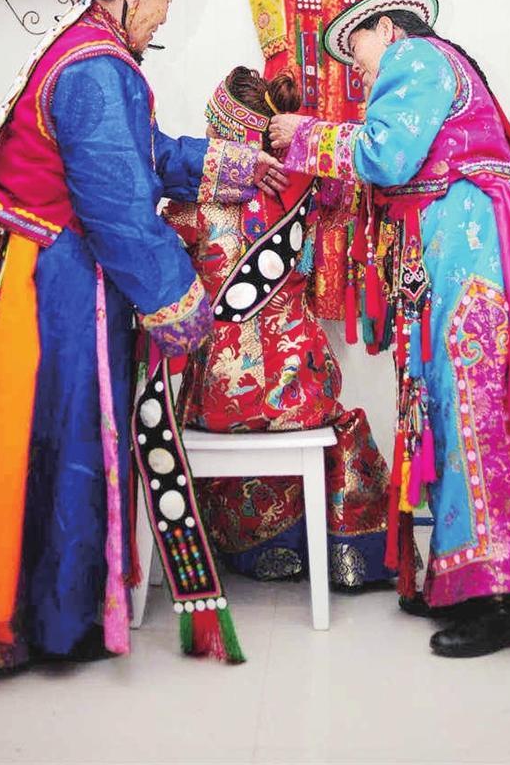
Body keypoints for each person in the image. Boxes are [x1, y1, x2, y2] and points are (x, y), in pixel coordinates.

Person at [0, 0, 286, 672]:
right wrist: (185, 309)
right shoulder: (99, 69)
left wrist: (232, 164)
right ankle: (41, 619)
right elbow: (120, 209)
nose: (165, 15)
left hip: (29, 260)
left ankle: (13, 605)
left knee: (27, 436)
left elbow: (141, 152)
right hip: (52, 282)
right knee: (56, 435)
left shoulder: (86, 48)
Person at [269, 0, 510, 657]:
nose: (357, 70)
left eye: (356, 50)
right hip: (466, 242)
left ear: (387, 28)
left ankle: (498, 602)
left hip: (469, 245)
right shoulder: (439, 65)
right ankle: (471, 581)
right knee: (458, 408)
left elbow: (386, 156)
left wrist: (304, 135)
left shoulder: (415, 55)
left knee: (471, 408)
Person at [162, 66, 402, 591]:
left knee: (225, 419)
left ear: (227, 135)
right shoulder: (307, 189)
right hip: (301, 387)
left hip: (220, 395)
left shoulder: (191, 204)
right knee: (340, 426)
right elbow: (349, 193)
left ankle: (260, 547)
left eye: (212, 127)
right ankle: (349, 553)